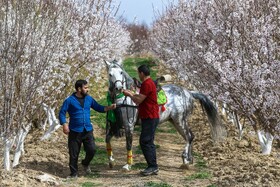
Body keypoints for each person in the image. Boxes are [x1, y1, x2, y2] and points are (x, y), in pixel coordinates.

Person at [59, 79, 116, 178]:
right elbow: (62, 113)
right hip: (74, 131)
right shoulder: (69, 100)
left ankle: (85, 163)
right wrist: (64, 124)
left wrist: (109, 108)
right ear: (79, 89)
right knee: (74, 153)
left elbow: (98, 107)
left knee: (92, 150)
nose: (87, 89)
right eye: (85, 88)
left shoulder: (89, 99)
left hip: (87, 130)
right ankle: (74, 173)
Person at [122, 64, 159, 176]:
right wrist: (133, 94)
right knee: (149, 141)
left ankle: (152, 166)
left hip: (150, 117)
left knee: (145, 141)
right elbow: (140, 97)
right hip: (150, 116)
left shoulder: (147, 84)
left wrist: (129, 94)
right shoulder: (148, 83)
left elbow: (138, 100)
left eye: (138, 73)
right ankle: (153, 166)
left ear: (142, 73)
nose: (138, 75)